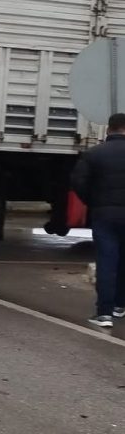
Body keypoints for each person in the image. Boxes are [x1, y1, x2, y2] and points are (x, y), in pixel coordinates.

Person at [71, 112, 125, 327]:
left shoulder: (94, 154)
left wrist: (93, 201)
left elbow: (78, 182)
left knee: (107, 261)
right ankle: (120, 305)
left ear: (109, 129)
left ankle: (104, 313)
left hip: (104, 215)